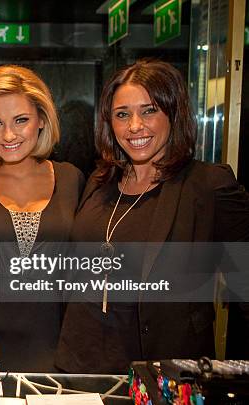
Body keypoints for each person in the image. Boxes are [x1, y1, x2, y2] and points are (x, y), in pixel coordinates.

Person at [55, 59, 249, 373]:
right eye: (122, 114)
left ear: (174, 113)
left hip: (162, 374)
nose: (134, 126)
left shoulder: (209, 187)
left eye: (149, 110)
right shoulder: (99, 181)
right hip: (79, 365)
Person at [0, 65, 85, 372]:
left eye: (21, 120)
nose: (8, 134)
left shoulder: (72, 179)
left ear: (41, 119)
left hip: (59, 351)